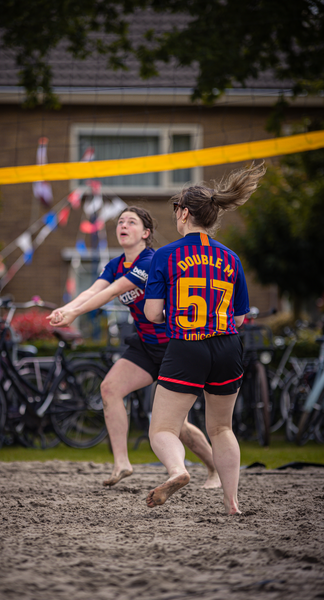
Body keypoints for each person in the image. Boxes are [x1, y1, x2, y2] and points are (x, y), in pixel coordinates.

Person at [47, 206, 220, 489]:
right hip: (145, 344)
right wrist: (64, 309)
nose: (123, 225)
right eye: (120, 221)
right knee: (109, 389)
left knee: (180, 427)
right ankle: (122, 463)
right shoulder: (116, 264)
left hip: (173, 348)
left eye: (131, 222)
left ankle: (215, 470)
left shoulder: (150, 260)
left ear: (146, 233)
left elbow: (113, 291)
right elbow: (94, 290)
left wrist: (74, 315)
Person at [144, 163, 266, 515]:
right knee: (222, 428)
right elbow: (240, 318)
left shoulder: (166, 255)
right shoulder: (231, 257)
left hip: (187, 345)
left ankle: (179, 470)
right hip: (228, 346)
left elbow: (153, 313)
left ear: (183, 213)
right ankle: (232, 503)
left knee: (163, 429)